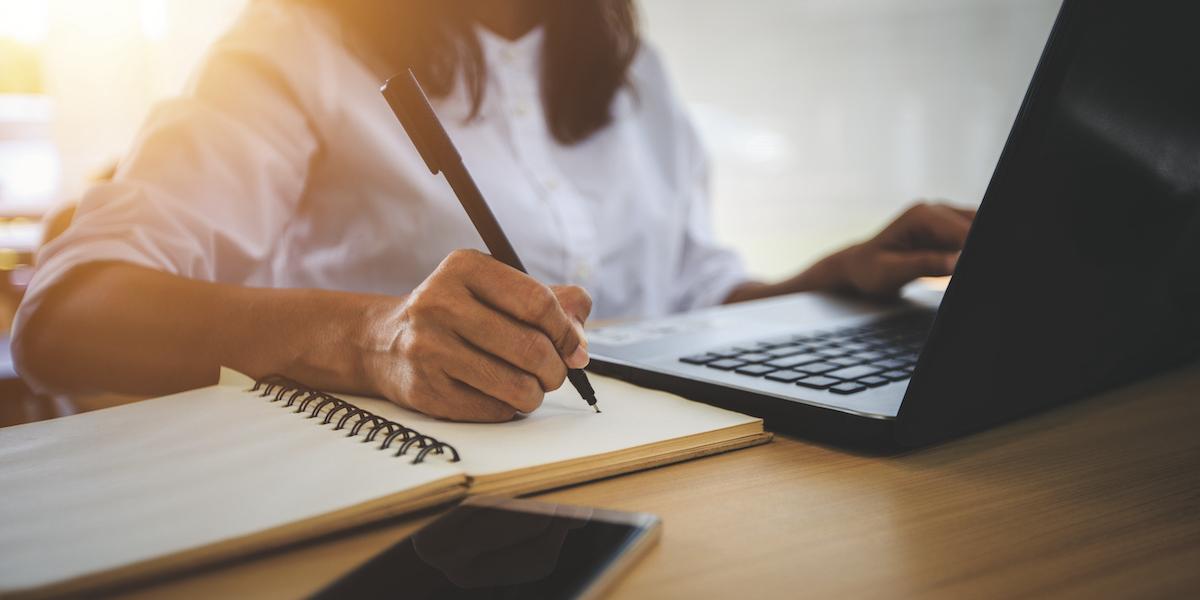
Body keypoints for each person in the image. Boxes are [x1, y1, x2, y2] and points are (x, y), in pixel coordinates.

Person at [12, 0, 974, 422]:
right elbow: (64, 317)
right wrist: (370, 338)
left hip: (663, 480)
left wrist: (827, 278)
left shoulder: (626, 66)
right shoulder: (292, 43)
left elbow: (686, 292)